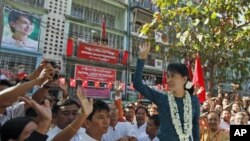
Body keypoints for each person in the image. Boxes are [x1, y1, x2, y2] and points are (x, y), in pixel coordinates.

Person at [133, 42, 200, 141]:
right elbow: (137, 84)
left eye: (173, 76)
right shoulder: (162, 99)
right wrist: (141, 59)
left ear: (184, 79)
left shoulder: (194, 100)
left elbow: (195, 125)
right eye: (168, 76)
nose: (169, 80)